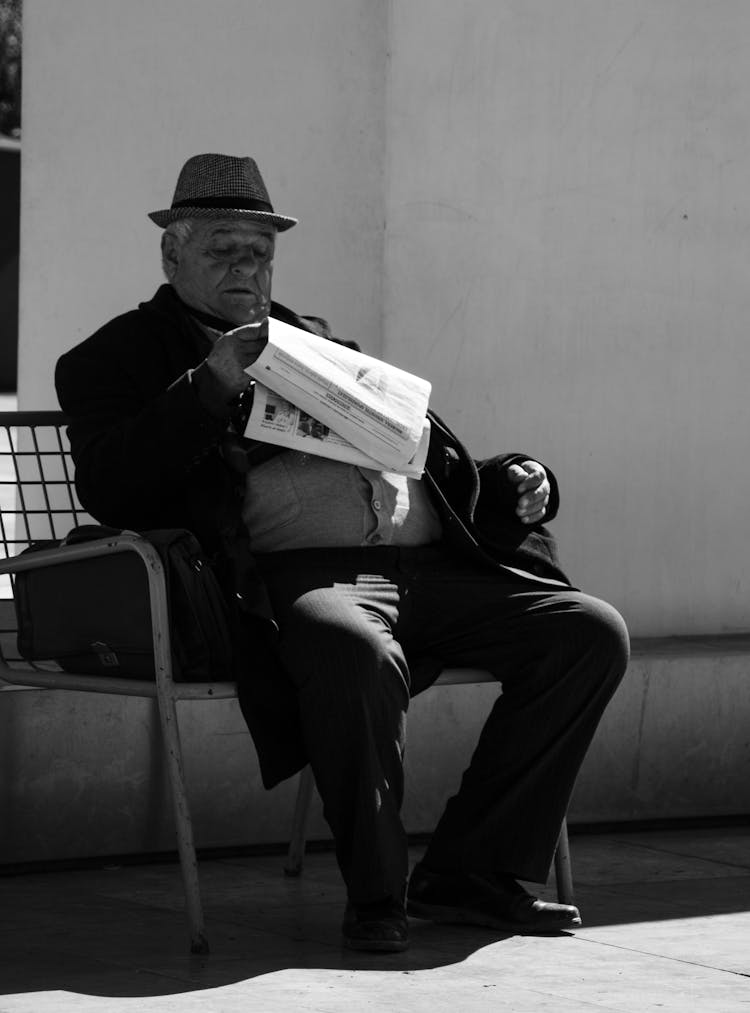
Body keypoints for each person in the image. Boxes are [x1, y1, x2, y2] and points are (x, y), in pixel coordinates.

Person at [55, 153, 629, 954]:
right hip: (296, 580)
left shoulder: (316, 340)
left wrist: (513, 483)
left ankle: (472, 871)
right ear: (171, 253)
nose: (246, 269)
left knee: (588, 631)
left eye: (259, 252)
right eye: (224, 249)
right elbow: (113, 487)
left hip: (425, 568)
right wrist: (209, 386)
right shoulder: (112, 359)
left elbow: (429, 455)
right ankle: (377, 892)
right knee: (348, 646)